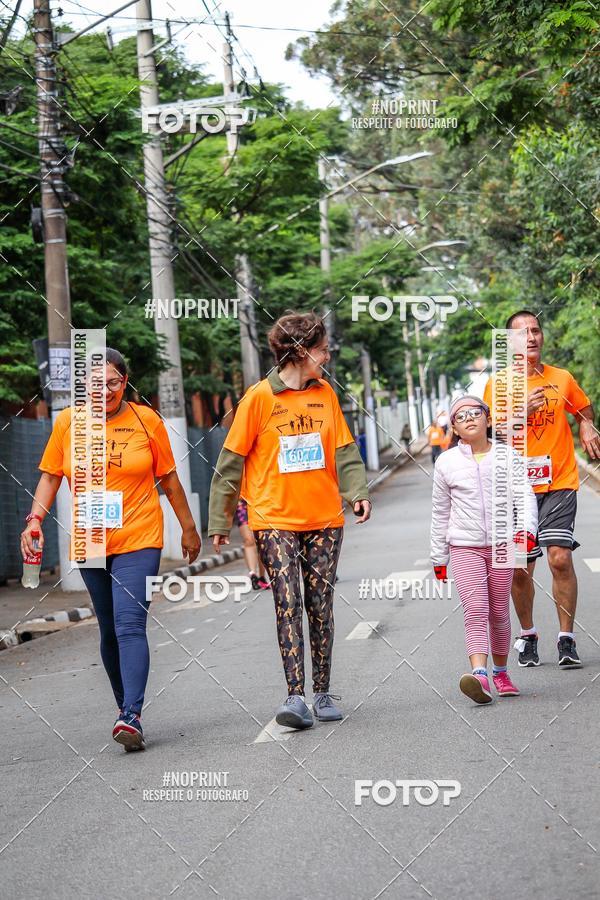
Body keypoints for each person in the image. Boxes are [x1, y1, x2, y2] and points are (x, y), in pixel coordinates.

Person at [20, 349, 201, 751]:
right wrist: (34, 519)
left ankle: (131, 713)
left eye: (113, 383)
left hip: (140, 535)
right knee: (108, 629)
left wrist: (189, 529)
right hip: (91, 539)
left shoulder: (145, 420)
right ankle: (127, 710)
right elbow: (51, 477)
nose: (105, 391)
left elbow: (169, 481)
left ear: (126, 382)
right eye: (95, 385)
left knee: (129, 624)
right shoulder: (68, 423)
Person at [208, 311, 371, 729]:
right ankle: (295, 697)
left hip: (323, 517)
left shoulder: (325, 395)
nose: (327, 355)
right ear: (299, 352)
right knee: (287, 602)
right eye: (321, 349)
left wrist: (357, 493)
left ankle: (322, 691)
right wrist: (219, 521)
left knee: (320, 603)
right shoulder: (259, 398)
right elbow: (231, 462)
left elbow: (344, 450)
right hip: (273, 517)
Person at [483, 311, 600, 667]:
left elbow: (583, 408)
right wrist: (519, 412)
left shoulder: (561, 378)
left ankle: (566, 638)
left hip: (560, 481)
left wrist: (586, 425)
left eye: (535, 331)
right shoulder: (497, 386)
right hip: (515, 488)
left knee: (560, 558)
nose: (531, 338)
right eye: (522, 333)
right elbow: (487, 437)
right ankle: (529, 634)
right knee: (520, 567)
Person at [431, 395, 538, 704]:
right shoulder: (446, 463)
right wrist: (439, 557)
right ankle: (479, 675)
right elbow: (440, 513)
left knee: (499, 612)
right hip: (464, 546)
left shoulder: (508, 456)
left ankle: (501, 672)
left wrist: (527, 533)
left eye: (475, 413)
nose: (469, 419)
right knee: (476, 610)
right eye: (460, 416)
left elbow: (525, 496)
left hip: (503, 546)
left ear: (488, 420)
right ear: (454, 427)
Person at [234, 498, 269, 590]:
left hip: (261, 500)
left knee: (261, 540)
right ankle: (253, 574)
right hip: (242, 502)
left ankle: (262, 577)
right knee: (249, 540)